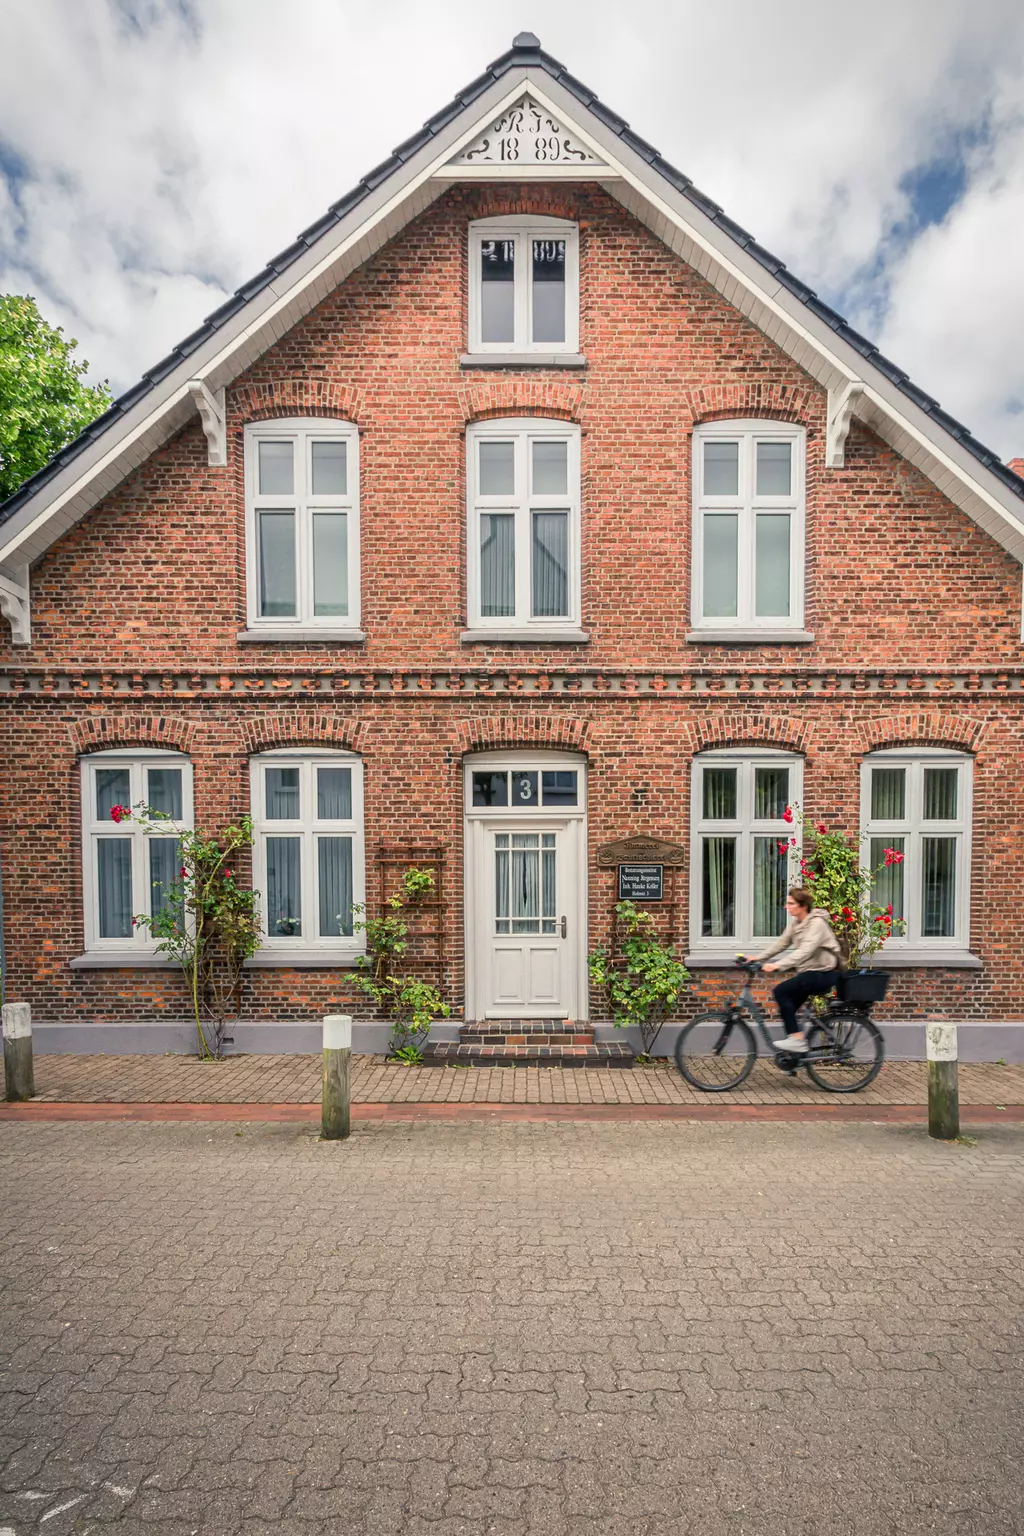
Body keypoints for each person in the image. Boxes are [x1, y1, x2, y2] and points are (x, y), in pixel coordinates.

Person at [756, 888, 842, 1052]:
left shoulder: (817, 924)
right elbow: (781, 943)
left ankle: (797, 1040)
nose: (785, 906)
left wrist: (777, 965)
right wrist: (757, 958)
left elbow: (805, 951)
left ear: (803, 906)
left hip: (823, 974)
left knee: (781, 992)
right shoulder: (796, 923)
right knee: (787, 1008)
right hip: (810, 973)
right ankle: (794, 1056)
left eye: (790, 903)